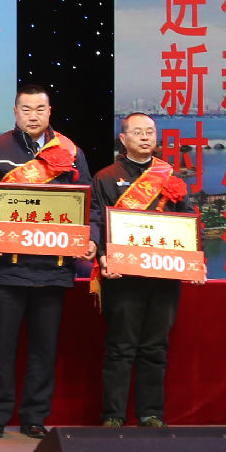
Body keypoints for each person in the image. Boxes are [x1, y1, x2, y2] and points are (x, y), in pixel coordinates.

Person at [0, 83, 95, 439]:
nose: (33, 116)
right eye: (25, 109)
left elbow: (89, 205)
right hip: (5, 267)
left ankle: (35, 417)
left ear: (49, 111)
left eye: (39, 109)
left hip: (52, 267)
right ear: (15, 112)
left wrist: (91, 238)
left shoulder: (72, 152)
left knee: (44, 349)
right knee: (1, 347)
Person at [90, 112, 205, 427]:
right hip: (123, 277)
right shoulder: (106, 177)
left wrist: (197, 259)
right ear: (123, 138)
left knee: (156, 347)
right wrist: (103, 256)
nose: (145, 137)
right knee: (121, 346)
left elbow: (190, 222)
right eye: (137, 131)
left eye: (150, 132)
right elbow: (96, 221)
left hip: (163, 276)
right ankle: (113, 415)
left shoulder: (169, 176)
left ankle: (151, 412)